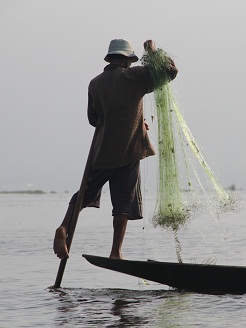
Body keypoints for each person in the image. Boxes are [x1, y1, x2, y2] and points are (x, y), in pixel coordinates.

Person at [53, 39, 178, 260]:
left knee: (85, 193)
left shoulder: (95, 83)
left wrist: (135, 120)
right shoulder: (134, 77)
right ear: (127, 60)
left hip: (102, 152)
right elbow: (170, 71)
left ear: (110, 58)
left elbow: (94, 119)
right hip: (129, 150)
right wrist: (154, 51)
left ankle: (64, 227)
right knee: (123, 203)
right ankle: (115, 252)